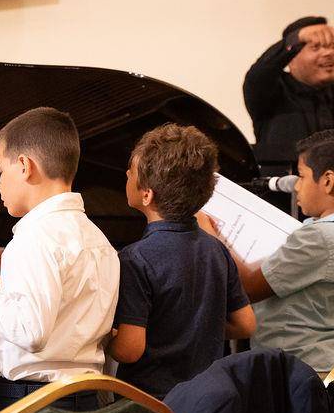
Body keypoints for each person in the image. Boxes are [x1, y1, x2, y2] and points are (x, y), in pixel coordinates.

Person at [0, 107, 120, 413]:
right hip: (87, 398)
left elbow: (29, 331)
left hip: (33, 402)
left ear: (24, 166)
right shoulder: (98, 239)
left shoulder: (35, 237)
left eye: (0, 171)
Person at [204, 129, 334, 371]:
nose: (296, 186)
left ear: (327, 181)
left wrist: (214, 235)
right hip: (322, 359)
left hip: (298, 365)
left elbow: (248, 288)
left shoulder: (320, 237)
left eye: (302, 176)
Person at [109, 124, 255, 399]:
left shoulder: (135, 258)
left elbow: (130, 350)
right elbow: (245, 324)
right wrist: (195, 333)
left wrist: (100, 337)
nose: (127, 173)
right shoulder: (216, 250)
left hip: (151, 405)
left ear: (147, 194)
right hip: (206, 399)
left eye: (131, 170)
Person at [243, 15, 334, 163]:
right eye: (316, 47)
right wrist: (296, 38)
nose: (329, 53)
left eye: (331, 46)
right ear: (291, 59)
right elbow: (258, 74)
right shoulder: (270, 94)